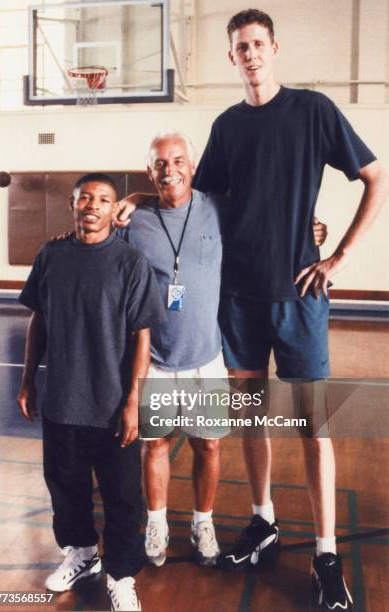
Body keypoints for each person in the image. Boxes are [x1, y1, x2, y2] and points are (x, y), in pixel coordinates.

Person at [191, 8, 388, 611]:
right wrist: (145, 196)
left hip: (300, 297)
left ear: (273, 48)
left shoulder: (313, 111)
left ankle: (325, 553)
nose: (249, 54)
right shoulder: (226, 127)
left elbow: (375, 178)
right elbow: (204, 203)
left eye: (257, 43)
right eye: (239, 47)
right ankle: (263, 519)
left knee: (313, 428)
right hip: (239, 298)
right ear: (231, 58)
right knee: (251, 418)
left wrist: (340, 255)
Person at [116, 132, 327, 569]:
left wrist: (311, 227)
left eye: (177, 160)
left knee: (208, 448)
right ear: (148, 171)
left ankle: (202, 522)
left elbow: (269, 225)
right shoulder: (133, 221)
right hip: (154, 357)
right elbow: (102, 255)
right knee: (155, 446)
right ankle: (156, 522)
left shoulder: (219, 209)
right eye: (159, 164)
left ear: (193, 167)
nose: (169, 170)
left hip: (207, 353)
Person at [17, 173, 165, 612]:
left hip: (112, 405)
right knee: (65, 487)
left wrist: (133, 401)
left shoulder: (129, 261)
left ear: (113, 209)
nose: (93, 205)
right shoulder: (51, 255)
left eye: (103, 199)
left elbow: (142, 335)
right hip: (64, 400)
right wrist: (27, 379)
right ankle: (82, 554)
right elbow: (37, 319)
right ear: (72, 204)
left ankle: (121, 574)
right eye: (85, 198)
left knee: (122, 496)